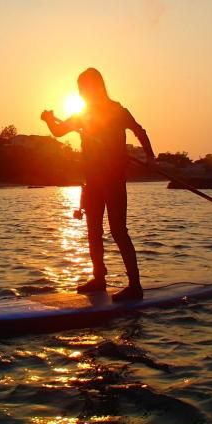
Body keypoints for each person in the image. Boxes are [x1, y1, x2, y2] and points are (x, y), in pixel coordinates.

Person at [41, 67, 155, 302]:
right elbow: (60, 132)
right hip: (92, 180)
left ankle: (135, 285)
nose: (82, 92)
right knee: (93, 230)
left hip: (113, 179)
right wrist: (49, 119)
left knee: (118, 231)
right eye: (80, 89)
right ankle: (99, 279)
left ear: (96, 87)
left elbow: (139, 132)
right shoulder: (83, 114)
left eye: (84, 88)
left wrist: (150, 157)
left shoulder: (117, 110)